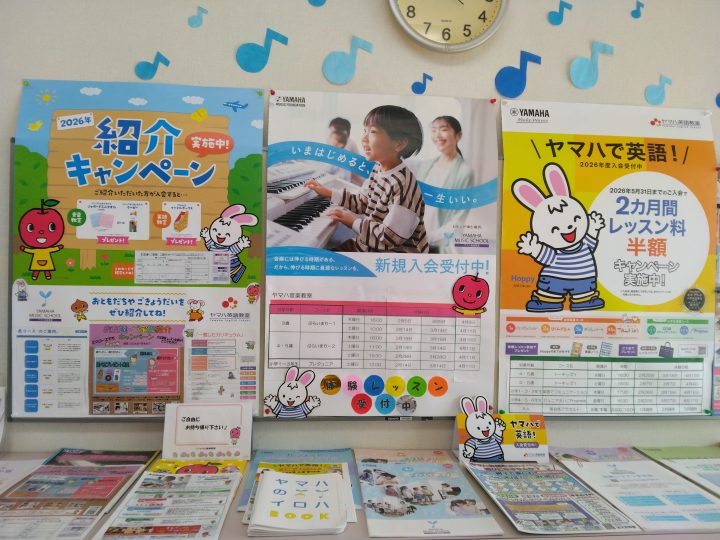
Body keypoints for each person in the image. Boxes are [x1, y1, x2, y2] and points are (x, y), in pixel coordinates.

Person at [306, 105, 428, 253]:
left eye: (373, 132)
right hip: (368, 245)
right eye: (365, 130)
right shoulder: (378, 168)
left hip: (391, 258)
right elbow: (363, 202)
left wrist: (352, 221)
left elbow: (388, 238)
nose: (363, 138)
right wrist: (329, 193)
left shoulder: (403, 185)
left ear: (399, 144)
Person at [416, 116, 475, 253]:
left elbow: (458, 220)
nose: (437, 135)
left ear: (458, 136)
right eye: (434, 130)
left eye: (443, 129)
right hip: (416, 242)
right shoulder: (426, 166)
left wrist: (428, 238)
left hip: (440, 246)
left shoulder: (464, 172)